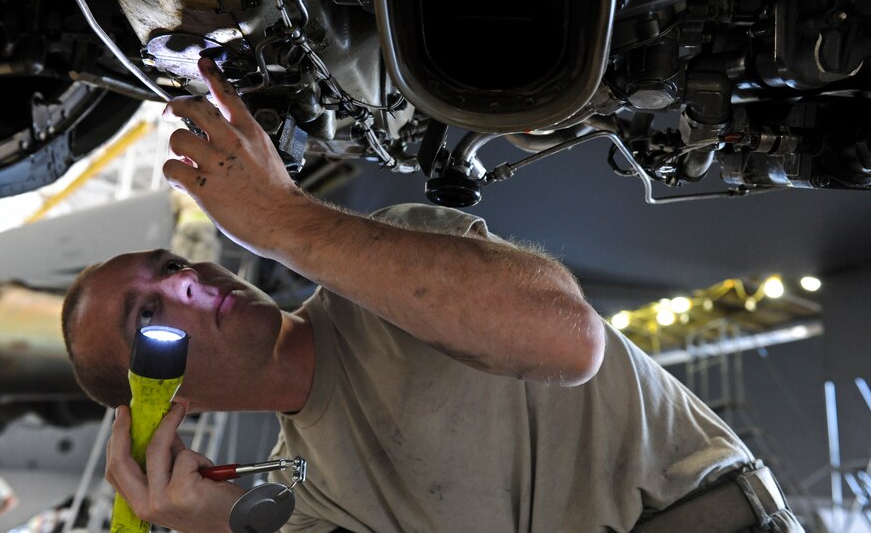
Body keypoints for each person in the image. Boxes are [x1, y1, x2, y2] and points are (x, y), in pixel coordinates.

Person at [61, 58, 803, 533]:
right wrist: (222, 523)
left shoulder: (380, 269)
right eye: (151, 311)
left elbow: (565, 338)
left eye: (166, 264)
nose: (186, 278)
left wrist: (284, 221)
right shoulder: (312, 499)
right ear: (166, 394)